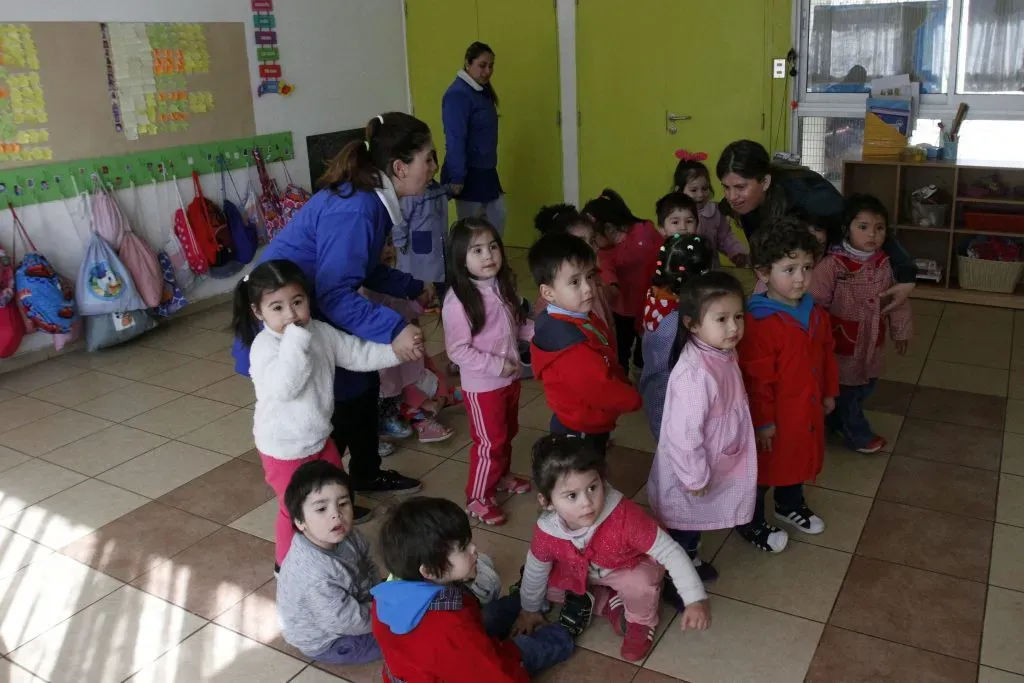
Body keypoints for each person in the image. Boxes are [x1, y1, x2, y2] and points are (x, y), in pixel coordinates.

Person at [231, 113, 434, 511]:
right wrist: (395, 328)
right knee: (333, 406)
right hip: (287, 318)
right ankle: (321, 500)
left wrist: (413, 288)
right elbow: (336, 292)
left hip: (309, 310)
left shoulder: (368, 201)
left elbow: (361, 267)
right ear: (399, 167)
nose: (432, 168)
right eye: (427, 159)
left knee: (362, 387)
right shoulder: (358, 208)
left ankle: (362, 474)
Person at [232, 260, 402, 570]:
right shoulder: (263, 347)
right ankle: (286, 569)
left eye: (297, 302)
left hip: (320, 439)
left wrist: (397, 352)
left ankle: (335, 554)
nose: (291, 314)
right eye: (278, 307)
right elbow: (287, 386)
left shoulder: (319, 331)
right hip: (283, 450)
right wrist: (296, 340)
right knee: (294, 511)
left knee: (336, 498)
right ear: (258, 312)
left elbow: (356, 352)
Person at [512, 435, 710, 662]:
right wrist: (529, 610)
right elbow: (536, 568)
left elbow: (671, 552)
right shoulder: (546, 530)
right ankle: (609, 604)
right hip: (584, 571)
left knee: (640, 584)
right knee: (542, 584)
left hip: (626, 567)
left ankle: (640, 623)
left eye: (593, 488)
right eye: (572, 496)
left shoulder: (623, 515)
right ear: (546, 502)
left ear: (602, 480)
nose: (587, 502)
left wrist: (694, 599)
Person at [371, 496, 575, 682]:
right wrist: (511, 659)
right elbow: (497, 678)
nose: (474, 549)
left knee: (493, 614)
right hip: (462, 659)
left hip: (434, 661)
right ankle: (565, 632)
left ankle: (528, 599)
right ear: (429, 571)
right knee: (530, 648)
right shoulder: (452, 630)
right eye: (463, 548)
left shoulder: (384, 596)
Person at [716, 138, 917, 315]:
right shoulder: (746, 204)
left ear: (765, 181)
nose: (732, 197)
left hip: (829, 276)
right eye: (726, 187)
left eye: (740, 187)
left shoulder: (810, 196)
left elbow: (865, 226)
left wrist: (906, 274)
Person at [647, 272, 757, 586]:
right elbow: (684, 436)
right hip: (692, 469)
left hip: (712, 455)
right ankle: (675, 580)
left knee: (692, 521)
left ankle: (690, 559)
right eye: (721, 319)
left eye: (738, 316)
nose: (734, 327)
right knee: (684, 522)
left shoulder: (721, 351)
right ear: (692, 324)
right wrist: (694, 476)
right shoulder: (695, 374)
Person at [737, 217, 839, 553]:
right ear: (764, 273)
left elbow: (826, 354)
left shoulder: (814, 313)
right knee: (764, 472)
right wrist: (764, 421)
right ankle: (749, 522)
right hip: (774, 417)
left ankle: (789, 504)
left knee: (797, 459)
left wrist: (829, 391)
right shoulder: (759, 322)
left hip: (804, 410)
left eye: (807, 267)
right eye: (790, 269)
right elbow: (756, 380)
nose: (801, 278)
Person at [442, 217, 534, 526]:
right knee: (489, 442)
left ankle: (502, 475)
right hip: (483, 387)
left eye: (492, 246)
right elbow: (457, 350)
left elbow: (516, 325)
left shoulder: (502, 287)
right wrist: (497, 365)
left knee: (508, 433)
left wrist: (540, 335)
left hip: (510, 379)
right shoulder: (458, 302)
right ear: (460, 258)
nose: (488, 255)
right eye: (477, 250)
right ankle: (478, 496)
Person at [811, 194, 913, 454]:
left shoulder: (886, 263)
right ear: (847, 229)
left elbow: (898, 300)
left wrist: (901, 331)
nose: (872, 235)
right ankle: (858, 434)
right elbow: (816, 302)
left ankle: (835, 420)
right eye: (863, 227)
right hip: (840, 343)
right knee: (846, 391)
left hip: (872, 340)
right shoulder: (832, 265)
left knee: (867, 384)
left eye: (879, 229)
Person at [528, 233, 641, 458]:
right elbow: (599, 388)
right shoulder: (570, 345)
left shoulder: (576, 316)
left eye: (589, 276)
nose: (588, 288)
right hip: (580, 427)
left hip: (582, 417)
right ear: (548, 293)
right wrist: (634, 399)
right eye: (574, 282)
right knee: (585, 474)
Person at [276, 461, 382, 664]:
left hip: (352, 602)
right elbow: (345, 621)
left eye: (343, 504)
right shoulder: (313, 575)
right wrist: (385, 612)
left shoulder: (348, 535)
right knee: (403, 634)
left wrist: (379, 593)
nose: (336, 514)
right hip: (331, 639)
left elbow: (367, 564)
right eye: (321, 508)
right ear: (300, 522)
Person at [639, 234, 714, 438]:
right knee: (675, 443)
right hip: (671, 396)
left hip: (654, 385)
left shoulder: (657, 295)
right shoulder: (679, 319)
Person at [582, 189, 662, 374]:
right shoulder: (604, 254)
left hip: (650, 303)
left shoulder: (645, 230)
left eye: (594, 239)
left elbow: (663, 251)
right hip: (623, 310)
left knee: (647, 343)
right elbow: (611, 283)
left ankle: (641, 368)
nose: (593, 244)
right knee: (621, 348)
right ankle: (622, 375)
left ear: (609, 229)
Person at [442, 42, 505, 235]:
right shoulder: (457, 95)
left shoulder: (482, 91)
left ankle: (494, 262)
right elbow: (455, 137)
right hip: (468, 171)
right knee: (471, 230)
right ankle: (467, 264)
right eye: (482, 65)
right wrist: (458, 176)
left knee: (498, 217)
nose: (488, 71)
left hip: (486, 169)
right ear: (468, 63)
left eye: (491, 65)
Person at [533, 203, 616, 336]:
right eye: (580, 243)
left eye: (592, 240)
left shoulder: (593, 277)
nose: (589, 248)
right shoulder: (549, 301)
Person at [671, 155, 749, 268]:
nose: (700, 195)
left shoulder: (714, 212)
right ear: (680, 190)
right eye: (693, 190)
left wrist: (737, 253)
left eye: (705, 188)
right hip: (683, 272)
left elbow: (725, 237)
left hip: (711, 271)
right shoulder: (673, 215)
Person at [394, 150, 449, 286]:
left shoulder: (438, 189)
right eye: (428, 161)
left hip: (438, 248)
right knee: (420, 284)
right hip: (416, 254)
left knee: (438, 280)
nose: (434, 166)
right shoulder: (411, 193)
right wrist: (400, 241)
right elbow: (400, 219)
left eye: (434, 160)